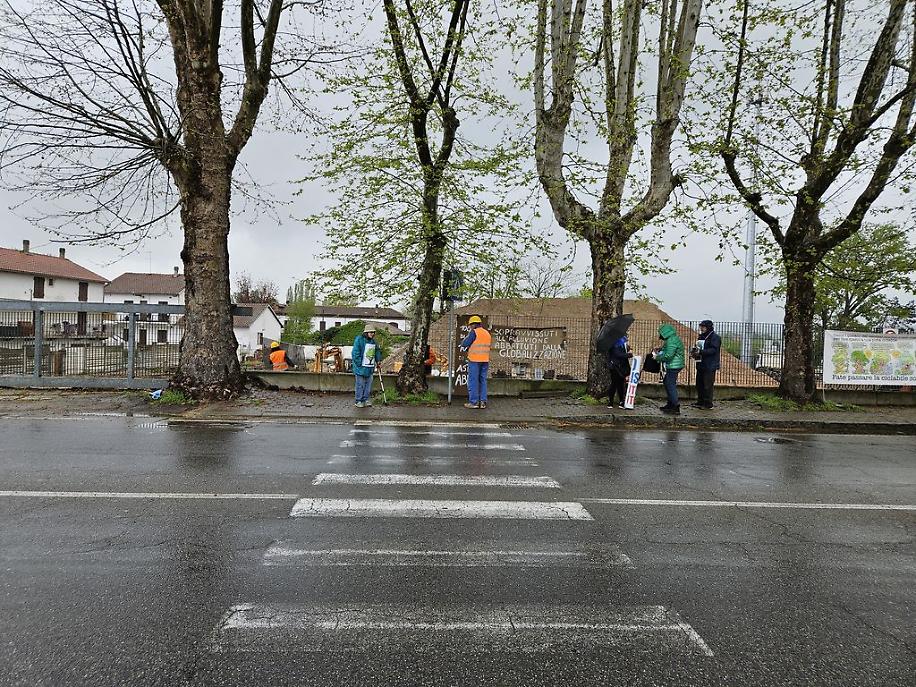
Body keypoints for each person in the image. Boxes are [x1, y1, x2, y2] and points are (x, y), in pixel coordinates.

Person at [653, 323, 685, 414]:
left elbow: (668, 355)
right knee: (667, 382)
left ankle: (675, 406)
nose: (660, 335)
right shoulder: (672, 339)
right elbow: (668, 350)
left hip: (674, 366)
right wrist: (660, 349)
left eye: (661, 333)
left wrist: (657, 358)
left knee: (670, 384)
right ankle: (670, 404)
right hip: (675, 365)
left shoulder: (671, 340)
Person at [460, 315, 491, 409]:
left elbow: (465, 343)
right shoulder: (486, 333)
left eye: (470, 325)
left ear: (473, 325)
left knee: (473, 381)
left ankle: (474, 402)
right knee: (483, 380)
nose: (469, 327)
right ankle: (483, 402)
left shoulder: (474, 332)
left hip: (474, 360)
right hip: (485, 360)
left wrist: (465, 341)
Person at [691, 319, 721, 409]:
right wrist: (694, 352)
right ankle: (700, 402)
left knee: (707, 385)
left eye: (703, 327)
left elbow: (714, 350)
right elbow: (698, 347)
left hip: (710, 365)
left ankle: (708, 404)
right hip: (701, 364)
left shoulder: (715, 337)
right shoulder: (702, 336)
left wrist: (701, 352)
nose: (701, 328)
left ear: (708, 327)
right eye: (701, 327)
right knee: (699, 384)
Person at [351, 324, 381, 408]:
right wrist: (359, 363)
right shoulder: (359, 340)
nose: (372, 334)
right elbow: (355, 353)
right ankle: (358, 400)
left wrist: (378, 360)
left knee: (368, 385)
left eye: (373, 332)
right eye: (371, 332)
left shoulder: (373, 342)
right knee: (360, 384)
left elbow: (377, 351)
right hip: (360, 367)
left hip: (369, 367)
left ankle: (365, 399)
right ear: (366, 332)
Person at [607, 335, 632, 409]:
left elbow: (621, 352)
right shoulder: (613, 343)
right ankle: (610, 401)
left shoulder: (621, 344)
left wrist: (627, 349)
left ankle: (621, 401)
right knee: (614, 384)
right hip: (615, 367)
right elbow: (618, 354)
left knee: (621, 385)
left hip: (621, 367)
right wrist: (629, 354)